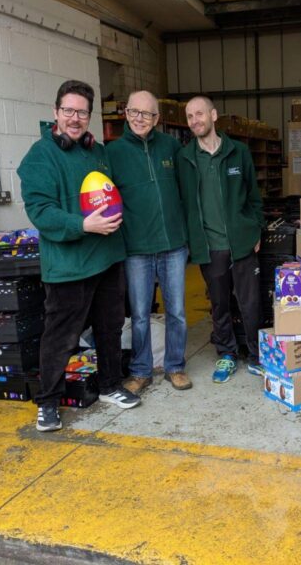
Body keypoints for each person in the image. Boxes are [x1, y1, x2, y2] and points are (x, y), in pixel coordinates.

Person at [18, 80, 141, 433]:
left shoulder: (97, 152)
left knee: (110, 327)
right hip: (68, 265)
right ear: (56, 112)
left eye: (82, 112)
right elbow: (40, 210)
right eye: (68, 111)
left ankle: (110, 385)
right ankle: (48, 403)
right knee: (61, 337)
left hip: (108, 257)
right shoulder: (40, 157)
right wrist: (82, 225)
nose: (75, 118)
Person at [106, 91, 191, 393]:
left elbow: (186, 190)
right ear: (126, 113)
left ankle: (175, 366)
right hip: (136, 248)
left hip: (173, 244)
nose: (139, 118)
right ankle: (141, 371)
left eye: (147, 114)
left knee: (177, 311)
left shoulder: (171, 147)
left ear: (157, 118)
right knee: (139, 314)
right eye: (134, 112)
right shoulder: (112, 153)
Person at [177, 95, 265, 383]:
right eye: (190, 116)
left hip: (242, 242)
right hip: (210, 246)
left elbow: (254, 196)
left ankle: (256, 355)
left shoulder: (238, 152)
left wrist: (256, 229)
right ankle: (227, 353)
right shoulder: (185, 158)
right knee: (219, 304)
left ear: (213, 115)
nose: (195, 121)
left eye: (199, 114)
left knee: (250, 303)